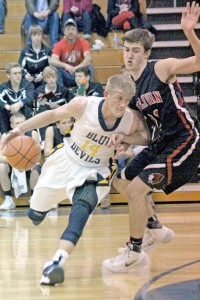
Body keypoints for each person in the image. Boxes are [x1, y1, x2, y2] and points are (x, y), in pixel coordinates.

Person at [1, 74, 150, 285]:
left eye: (127, 100)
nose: (123, 105)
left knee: (81, 210)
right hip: (66, 160)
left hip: (97, 169)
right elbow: (52, 114)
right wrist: (19, 129)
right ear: (106, 94)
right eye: (119, 98)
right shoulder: (83, 105)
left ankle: (56, 262)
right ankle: (39, 210)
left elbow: (145, 136)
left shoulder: (129, 119)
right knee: (34, 215)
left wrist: (126, 140)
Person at [103, 1, 200, 272]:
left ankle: (134, 252)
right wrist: (124, 140)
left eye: (135, 51)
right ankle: (154, 227)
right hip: (159, 143)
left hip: (184, 140)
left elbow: (199, 62)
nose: (129, 56)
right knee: (121, 182)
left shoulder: (161, 68)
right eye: (126, 50)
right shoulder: (130, 86)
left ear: (147, 54)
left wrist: (190, 33)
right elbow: (145, 134)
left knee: (136, 190)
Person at [0, 113, 40, 210]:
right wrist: (15, 159)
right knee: (1, 166)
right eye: (17, 123)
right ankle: (8, 199)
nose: (21, 125)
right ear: (12, 126)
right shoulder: (6, 136)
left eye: (23, 122)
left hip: (29, 163)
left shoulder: (33, 133)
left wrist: (24, 159)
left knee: (37, 166)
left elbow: (37, 155)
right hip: (13, 164)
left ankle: (33, 197)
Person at [50, 18, 93, 88]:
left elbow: (89, 59)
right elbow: (52, 60)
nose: (70, 32)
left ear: (77, 31)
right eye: (68, 29)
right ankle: (62, 93)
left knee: (89, 68)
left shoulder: (83, 43)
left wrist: (77, 68)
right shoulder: (59, 44)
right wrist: (66, 66)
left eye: (73, 29)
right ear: (64, 32)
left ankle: (84, 90)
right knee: (54, 68)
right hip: (66, 75)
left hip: (79, 73)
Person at [35, 66, 70, 144]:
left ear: (57, 77)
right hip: (44, 117)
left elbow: (69, 108)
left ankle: (65, 139)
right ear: (44, 79)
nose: (51, 80)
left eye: (53, 77)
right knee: (41, 112)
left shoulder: (64, 90)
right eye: (48, 77)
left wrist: (57, 107)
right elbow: (34, 108)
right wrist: (41, 104)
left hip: (59, 116)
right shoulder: (38, 91)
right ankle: (43, 141)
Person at [0, 62, 35, 134]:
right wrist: (7, 107)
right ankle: (4, 136)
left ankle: (29, 135)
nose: (18, 76)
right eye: (15, 73)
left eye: (19, 73)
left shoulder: (28, 85)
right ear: (8, 75)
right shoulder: (3, 87)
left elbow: (30, 97)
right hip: (9, 112)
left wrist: (19, 104)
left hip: (23, 111)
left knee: (28, 108)